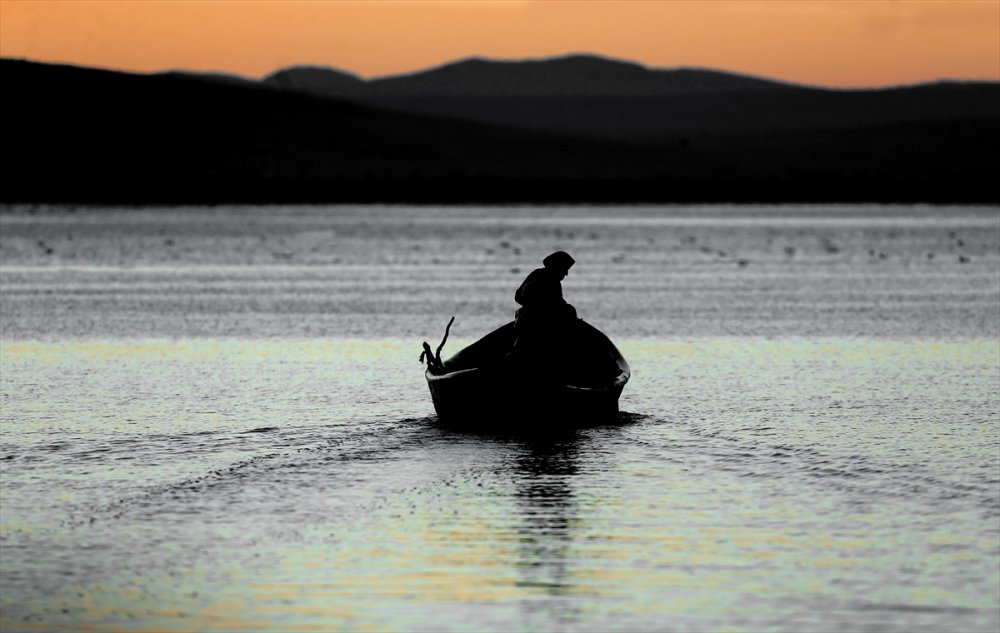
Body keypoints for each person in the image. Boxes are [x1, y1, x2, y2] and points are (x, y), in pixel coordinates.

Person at [510, 251, 578, 364]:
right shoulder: (544, 278)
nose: (566, 274)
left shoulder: (548, 279)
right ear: (557, 266)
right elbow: (519, 297)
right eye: (565, 269)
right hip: (536, 321)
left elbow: (559, 303)